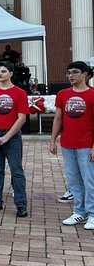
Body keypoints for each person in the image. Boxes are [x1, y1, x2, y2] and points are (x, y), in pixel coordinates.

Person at [49, 61, 94, 230]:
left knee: (89, 180)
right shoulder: (63, 94)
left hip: (86, 145)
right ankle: (79, 212)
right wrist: (53, 140)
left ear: (85, 74)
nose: (71, 76)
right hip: (67, 143)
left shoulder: (92, 94)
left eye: (75, 72)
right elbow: (58, 118)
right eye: (68, 73)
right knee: (74, 180)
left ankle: (92, 214)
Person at [0, 62, 29, 218]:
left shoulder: (19, 93)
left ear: (11, 73)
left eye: (3, 71)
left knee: (17, 171)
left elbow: (21, 118)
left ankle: (21, 204)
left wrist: (7, 137)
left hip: (12, 136)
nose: (0, 74)